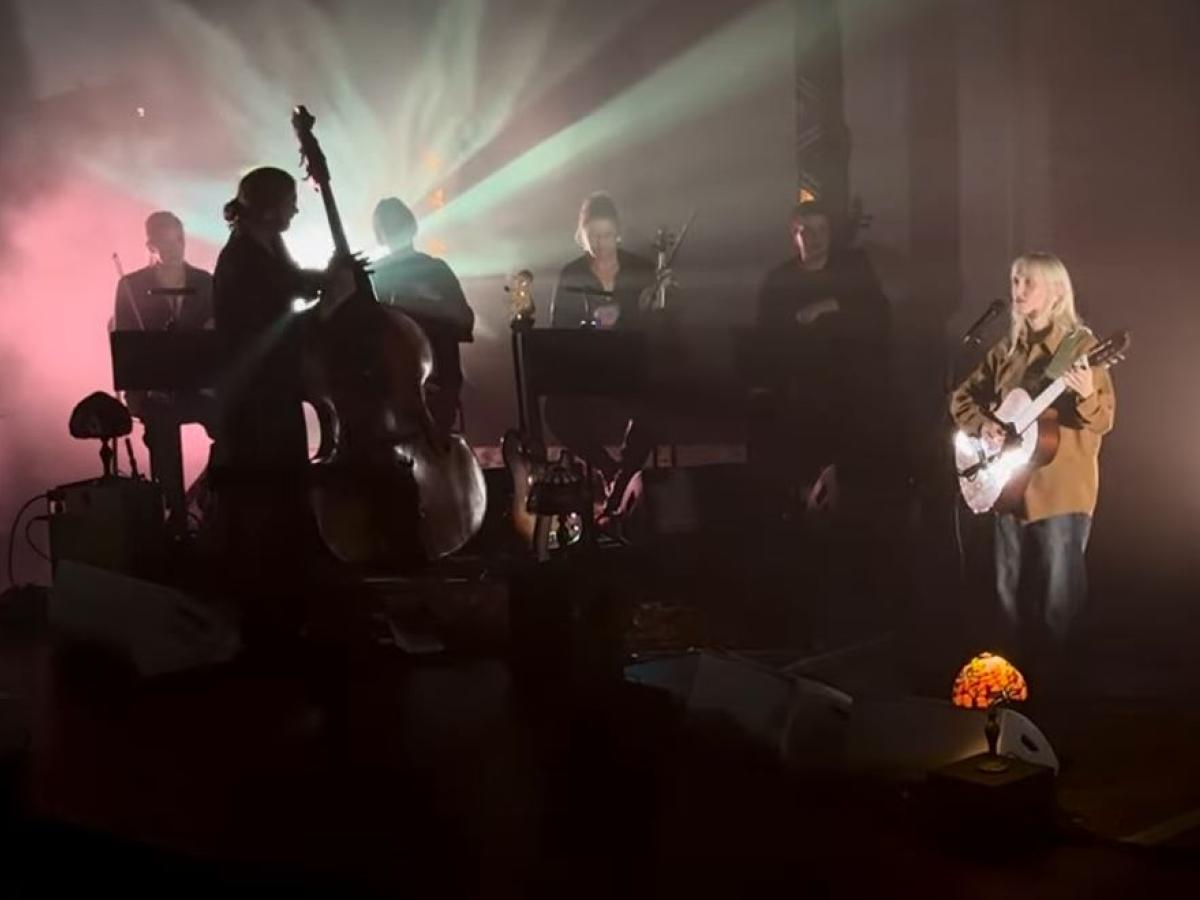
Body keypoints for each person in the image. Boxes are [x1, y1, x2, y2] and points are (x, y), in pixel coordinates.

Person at [950, 252, 1115, 666]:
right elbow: (960, 398)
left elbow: (1105, 419)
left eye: (1028, 283)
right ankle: (1012, 693)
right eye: (1015, 281)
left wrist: (1086, 392)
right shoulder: (1007, 348)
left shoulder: (1081, 347)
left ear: (1056, 291)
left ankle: (1060, 702)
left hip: (1061, 495)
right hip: (1009, 490)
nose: (1017, 291)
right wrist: (982, 424)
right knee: (1006, 601)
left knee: (1058, 608)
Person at [208, 166, 353, 633]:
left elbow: (289, 282)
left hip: (274, 390)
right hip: (256, 398)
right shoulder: (241, 260)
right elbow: (268, 325)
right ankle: (268, 612)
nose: (295, 208)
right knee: (266, 498)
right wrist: (327, 307)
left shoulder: (265, 246)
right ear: (269, 206)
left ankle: (284, 604)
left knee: (280, 491)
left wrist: (332, 275)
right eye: (290, 200)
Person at [755, 200, 891, 508]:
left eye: (822, 230)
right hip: (802, 393)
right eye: (808, 231)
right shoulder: (780, 280)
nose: (816, 239)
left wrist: (830, 306)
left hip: (851, 393)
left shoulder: (853, 269)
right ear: (794, 235)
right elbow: (767, 338)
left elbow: (879, 312)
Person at [546, 192, 662, 518]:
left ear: (618, 233)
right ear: (581, 235)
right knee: (555, 411)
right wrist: (594, 323)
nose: (601, 243)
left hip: (632, 369)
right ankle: (610, 470)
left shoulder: (641, 268)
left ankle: (624, 476)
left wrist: (647, 309)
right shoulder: (571, 273)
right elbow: (559, 329)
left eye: (607, 235)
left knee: (658, 404)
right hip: (587, 371)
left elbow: (660, 328)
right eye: (592, 236)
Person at [112, 210, 217, 534]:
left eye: (179, 240)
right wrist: (139, 391)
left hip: (200, 387)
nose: (174, 249)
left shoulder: (205, 282)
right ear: (150, 245)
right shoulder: (131, 285)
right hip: (155, 392)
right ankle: (175, 515)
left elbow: (219, 332)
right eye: (164, 243)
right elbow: (125, 341)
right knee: (161, 433)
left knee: (234, 428)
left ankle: (202, 498)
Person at [369, 197, 474, 431]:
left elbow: (464, 319)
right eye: (390, 226)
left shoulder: (434, 269)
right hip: (402, 377)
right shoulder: (376, 272)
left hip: (436, 374)